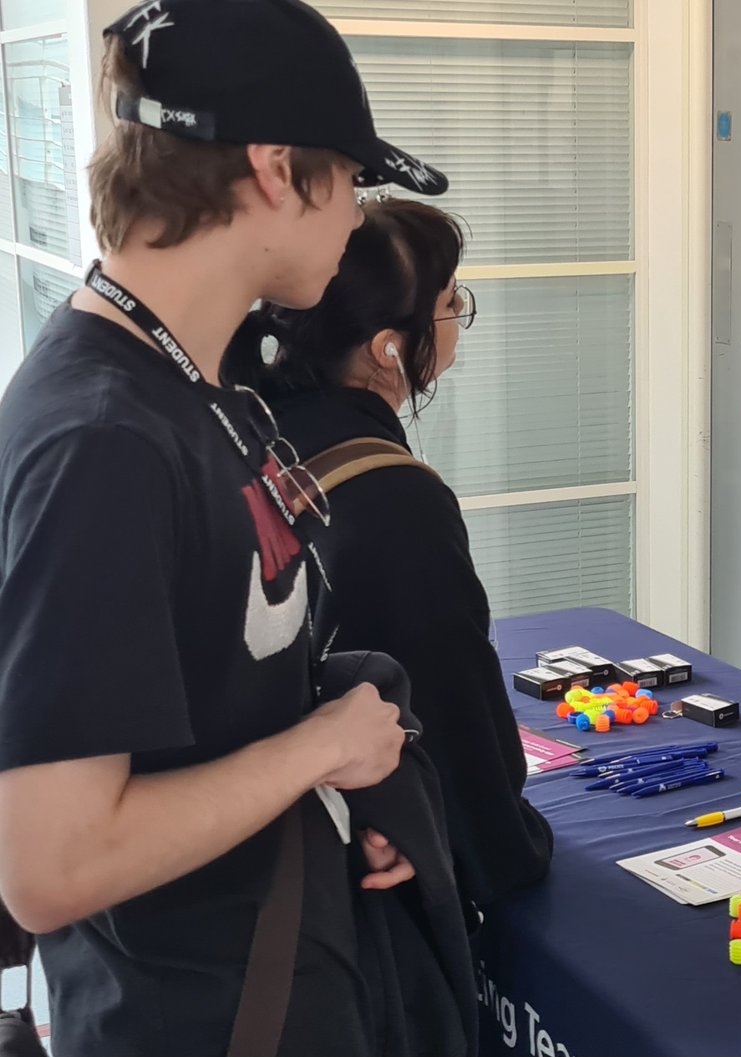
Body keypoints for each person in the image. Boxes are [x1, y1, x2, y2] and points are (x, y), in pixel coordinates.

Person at [0, 2, 460, 1054]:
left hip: (284, 960)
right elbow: (51, 866)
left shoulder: (192, 385)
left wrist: (342, 784)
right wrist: (316, 749)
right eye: (351, 183)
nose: (356, 221)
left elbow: (211, 695)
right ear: (276, 171)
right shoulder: (101, 440)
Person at [222, 197, 554, 911]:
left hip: (254, 834)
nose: (456, 316)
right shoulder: (394, 497)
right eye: (449, 302)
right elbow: (454, 708)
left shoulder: (251, 428)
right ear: (388, 348)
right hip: (352, 871)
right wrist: (501, 847)